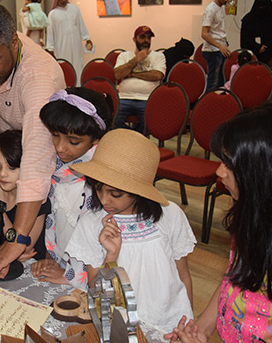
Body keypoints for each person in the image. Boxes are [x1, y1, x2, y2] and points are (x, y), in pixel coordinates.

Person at [167, 101, 272, 342]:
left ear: (267, 174)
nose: (219, 172)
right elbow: (236, 276)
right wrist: (202, 329)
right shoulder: (255, 214)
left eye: (230, 165)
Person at [0, 3, 65, 280]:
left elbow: (37, 159)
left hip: (51, 167)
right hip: (19, 161)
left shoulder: (37, 78)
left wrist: (18, 238)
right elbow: (3, 132)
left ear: (14, 44)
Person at [66, 129, 196, 333]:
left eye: (115, 194)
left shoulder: (170, 215)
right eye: (98, 189)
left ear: (139, 191)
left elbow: (183, 275)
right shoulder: (91, 223)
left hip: (170, 321)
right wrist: (111, 256)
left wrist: (187, 323)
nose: (104, 200)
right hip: (121, 324)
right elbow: (94, 288)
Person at [31, 88, 113, 289]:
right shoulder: (54, 167)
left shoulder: (104, 183)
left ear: (96, 139)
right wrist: (53, 258)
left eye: (73, 141)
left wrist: (73, 275)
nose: (60, 147)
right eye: (55, 135)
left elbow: (99, 243)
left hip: (91, 274)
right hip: (61, 262)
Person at [0, 130, 50, 262]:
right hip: (6, 257)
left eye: (11, 168)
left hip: (33, 264)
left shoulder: (37, 199)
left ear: (27, 167)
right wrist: (5, 253)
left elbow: (25, 247)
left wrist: (1, 217)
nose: (3, 174)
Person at [113, 25, 166, 134]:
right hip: (124, 98)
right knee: (112, 122)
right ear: (134, 39)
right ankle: (133, 136)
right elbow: (118, 74)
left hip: (147, 99)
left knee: (148, 126)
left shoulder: (158, 56)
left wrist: (132, 74)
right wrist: (136, 59)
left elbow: (157, 75)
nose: (146, 40)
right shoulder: (124, 56)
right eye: (142, 37)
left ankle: (135, 139)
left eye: (149, 38)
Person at [46, 0, 93, 79]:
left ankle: (78, 84)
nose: (63, 0)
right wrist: (50, 48)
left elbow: (81, 23)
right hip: (62, 46)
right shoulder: (52, 14)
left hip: (76, 44)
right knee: (65, 65)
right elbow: (50, 32)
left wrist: (87, 38)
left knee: (78, 64)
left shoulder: (74, 9)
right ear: (56, 0)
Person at [202, 0, 233, 91]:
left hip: (220, 48)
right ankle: (207, 101)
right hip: (212, 50)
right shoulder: (210, 9)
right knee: (213, 83)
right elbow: (204, 34)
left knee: (221, 82)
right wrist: (220, 46)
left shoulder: (222, 7)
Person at [240, 0, 272, 65]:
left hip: (271, 55)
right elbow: (245, 39)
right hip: (251, 56)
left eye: (264, 6)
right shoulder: (248, 20)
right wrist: (257, 48)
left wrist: (266, 47)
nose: (262, 9)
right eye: (260, 6)